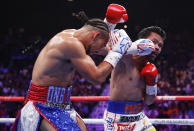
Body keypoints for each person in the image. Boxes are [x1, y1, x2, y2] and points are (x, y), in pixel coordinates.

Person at [12, 4, 130, 131]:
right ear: (95, 36)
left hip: (63, 105)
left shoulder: (76, 36)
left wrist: (132, 47)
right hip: (41, 106)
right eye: (99, 46)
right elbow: (97, 77)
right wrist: (116, 52)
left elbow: (107, 49)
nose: (98, 51)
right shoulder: (70, 44)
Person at [103, 26, 166, 131]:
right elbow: (102, 47)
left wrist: (152, 83)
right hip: (118, 120)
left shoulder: (150, 68)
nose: (157, 47)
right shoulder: (125, 57)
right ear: (142, 41)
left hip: (139, 118)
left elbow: (149, 101)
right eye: (154, 42)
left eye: (160, 45)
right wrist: (109, 23)